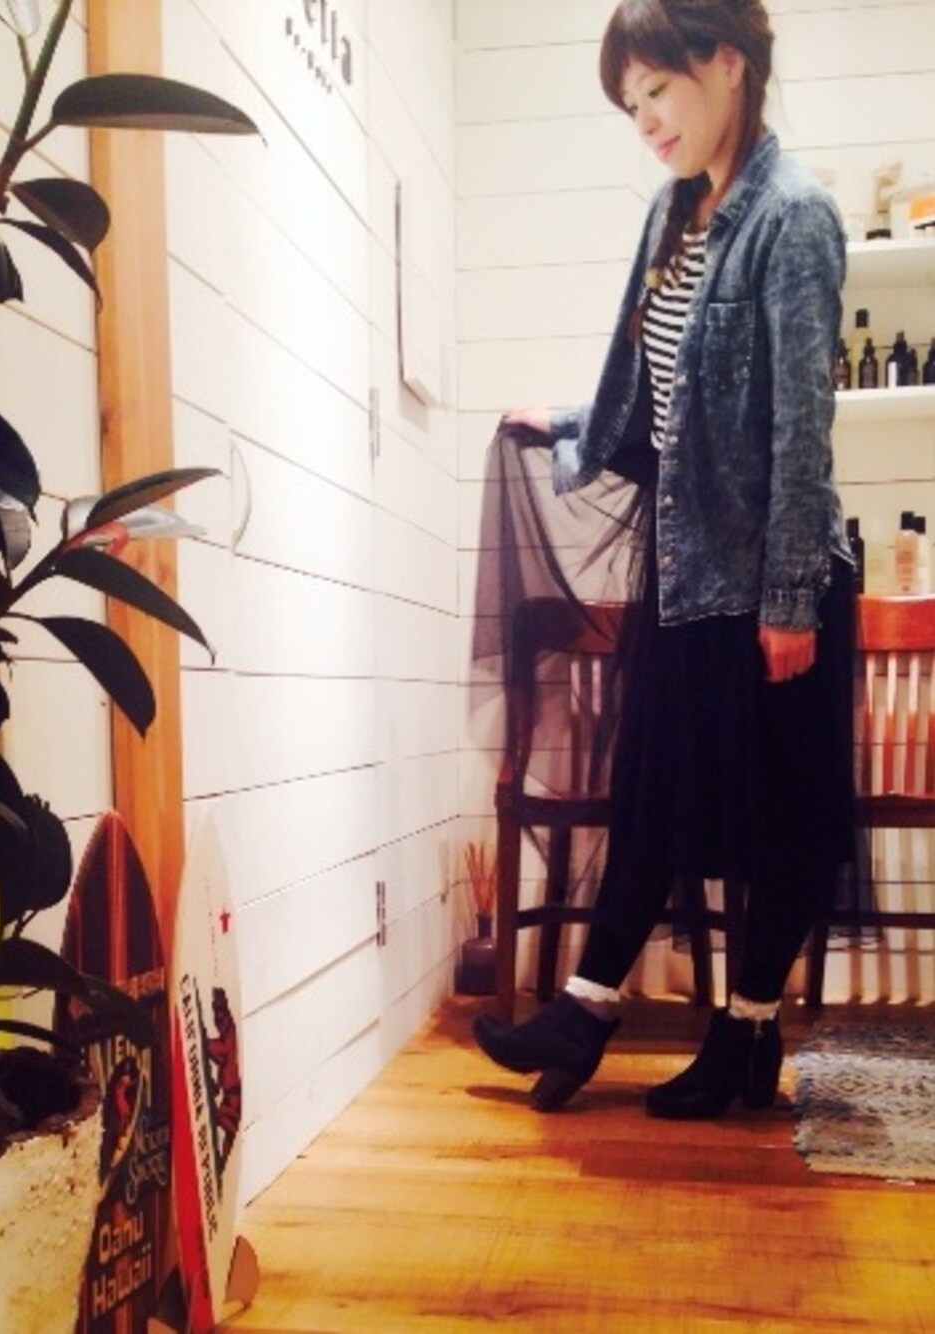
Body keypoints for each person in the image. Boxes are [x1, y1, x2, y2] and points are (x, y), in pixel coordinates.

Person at [472, 0, 856, 1118]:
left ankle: (739, 1036)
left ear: (726, 63)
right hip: (690, 578)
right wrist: (568, 422)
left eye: (657, 89)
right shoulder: (673, 214)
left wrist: (791, 599)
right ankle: (594, 1009)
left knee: (776, 818)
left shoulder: (795, 216)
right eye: (629, 102)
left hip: (770, 582)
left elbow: (801, 428)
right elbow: (656, 396)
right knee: (656, 790)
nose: (644, 119)